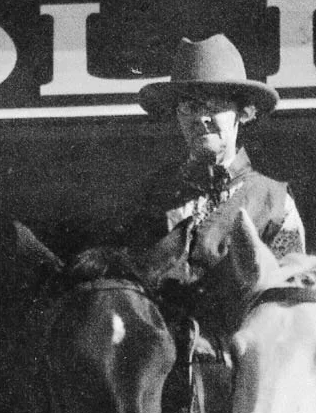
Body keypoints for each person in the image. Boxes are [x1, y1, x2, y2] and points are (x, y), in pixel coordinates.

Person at [127, 33, 305, 266]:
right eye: (189, 107)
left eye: (214, 105)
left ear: (243, 113)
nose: (201, 118)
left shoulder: (275, 202)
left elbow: (287, 291)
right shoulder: (153, 196)